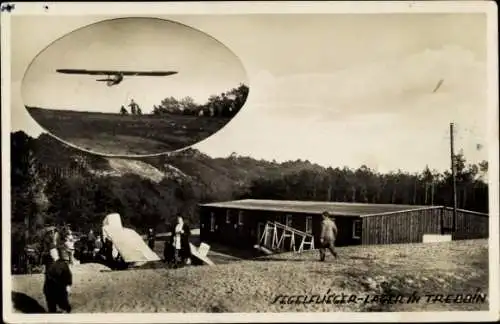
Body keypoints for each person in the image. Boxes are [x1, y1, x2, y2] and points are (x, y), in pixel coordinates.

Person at [43, 248, 72, 313]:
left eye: (52, 253)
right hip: (49, 288)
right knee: (51, 306)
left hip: (60, 288)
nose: (51, 254)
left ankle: (67, 310)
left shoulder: (63, 264)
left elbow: (68, 275)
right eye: (50, 253)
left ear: (56, 254)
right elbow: (47, 276)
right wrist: (45, 288)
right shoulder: (48, 263)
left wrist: (68, 285)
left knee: (63, 304)